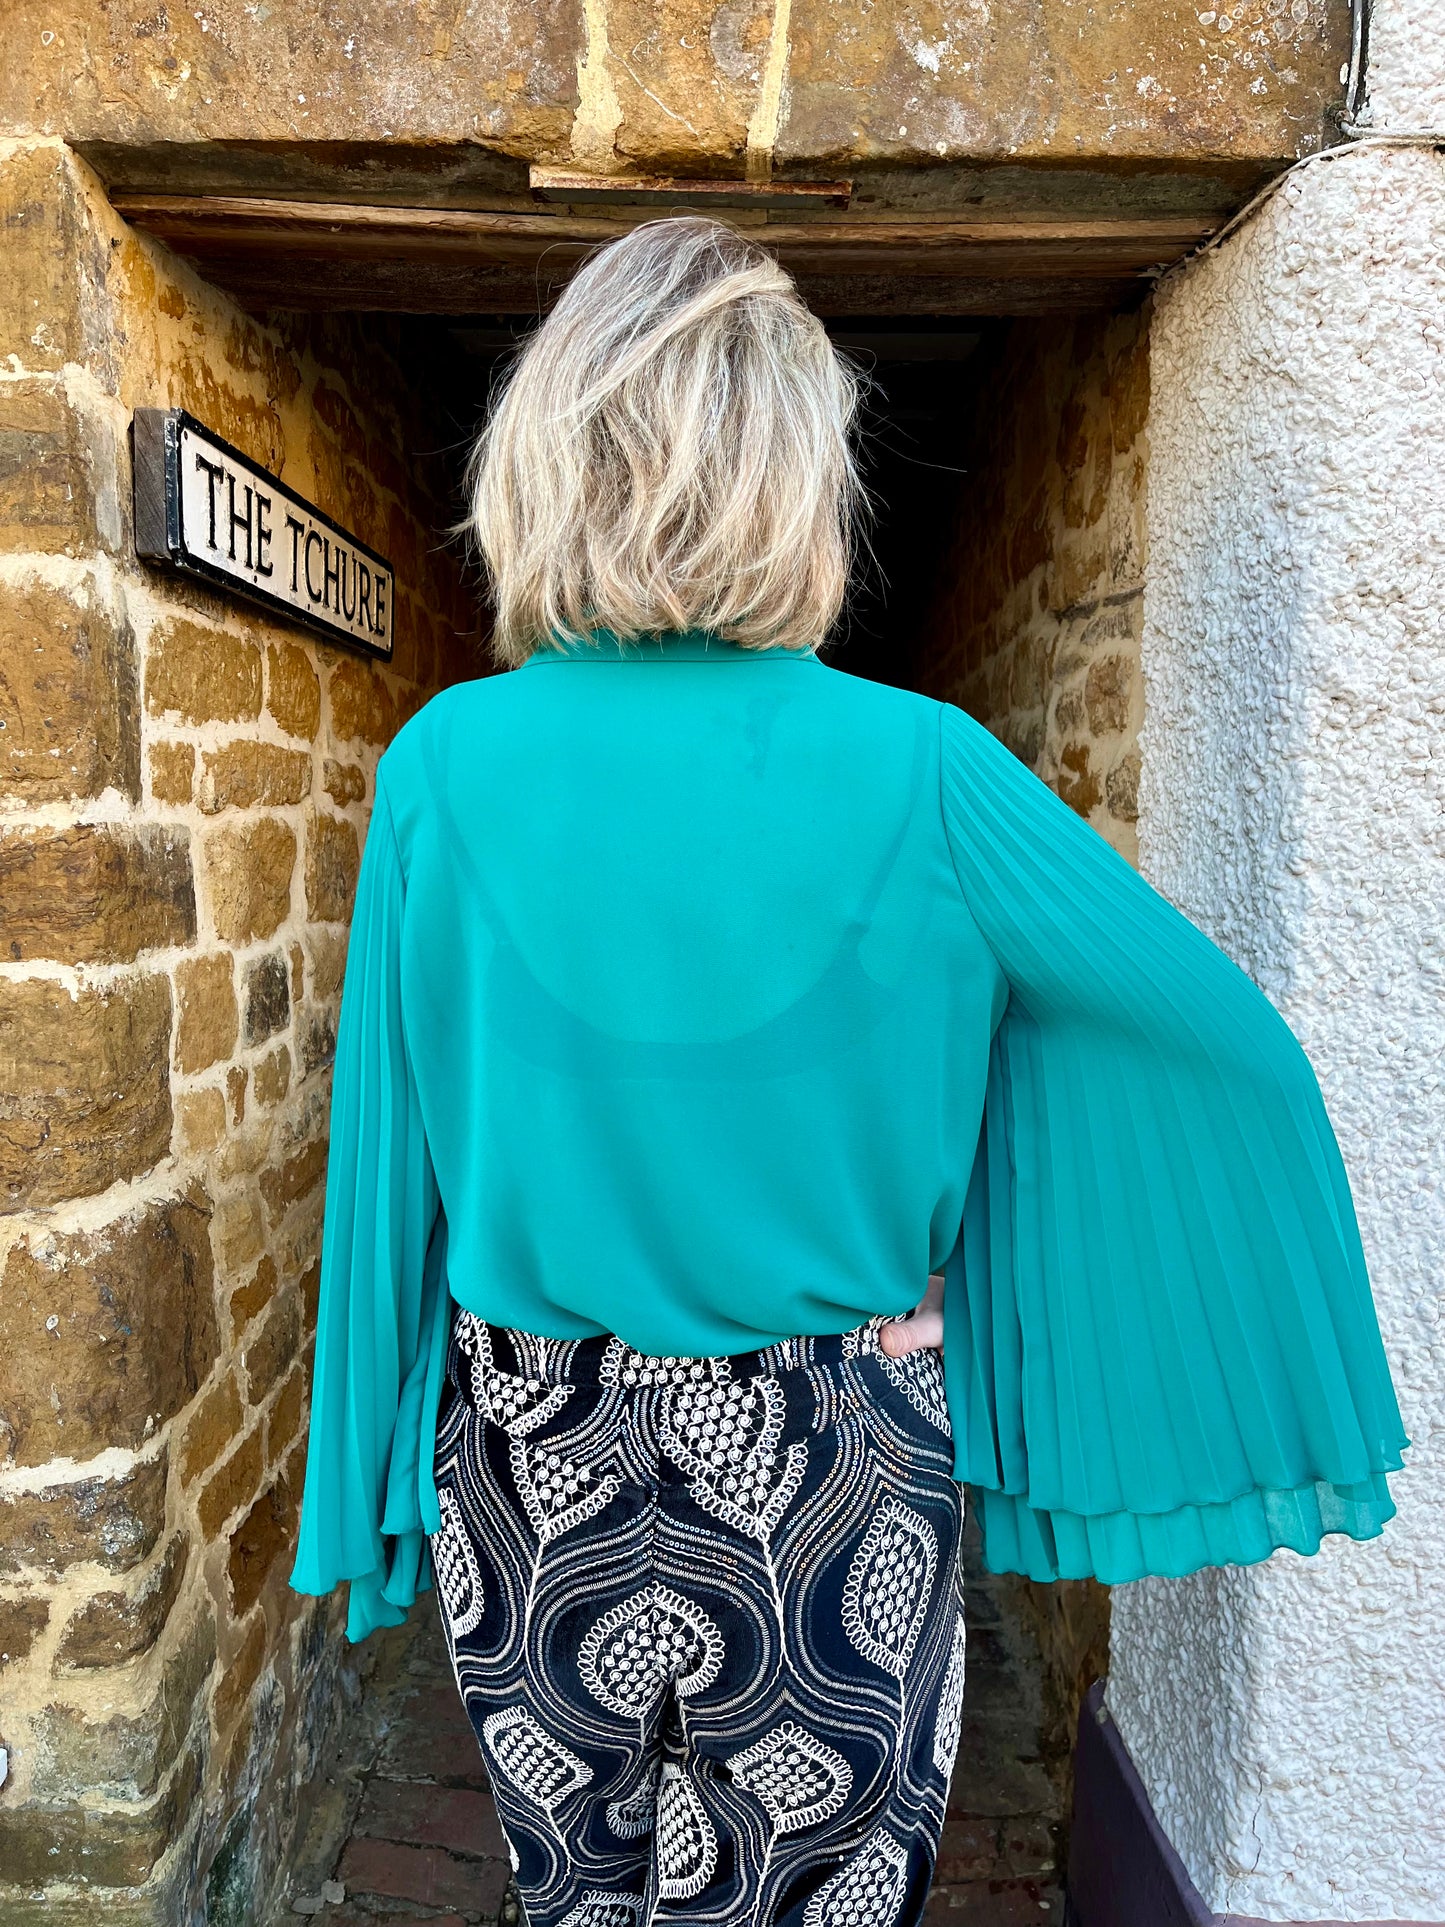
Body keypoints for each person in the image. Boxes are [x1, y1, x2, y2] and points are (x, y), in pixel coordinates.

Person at [290, 217, 1405, 1927]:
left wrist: (366, 1479)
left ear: (551, 456)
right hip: (829, 1443)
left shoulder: (443, 766)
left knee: (577, 1892)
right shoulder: (923, 765)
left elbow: (391, 1153)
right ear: (794, 473)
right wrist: (990, 1289)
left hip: (526, 1448)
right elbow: (1215, 1042)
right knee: (825, 1892)